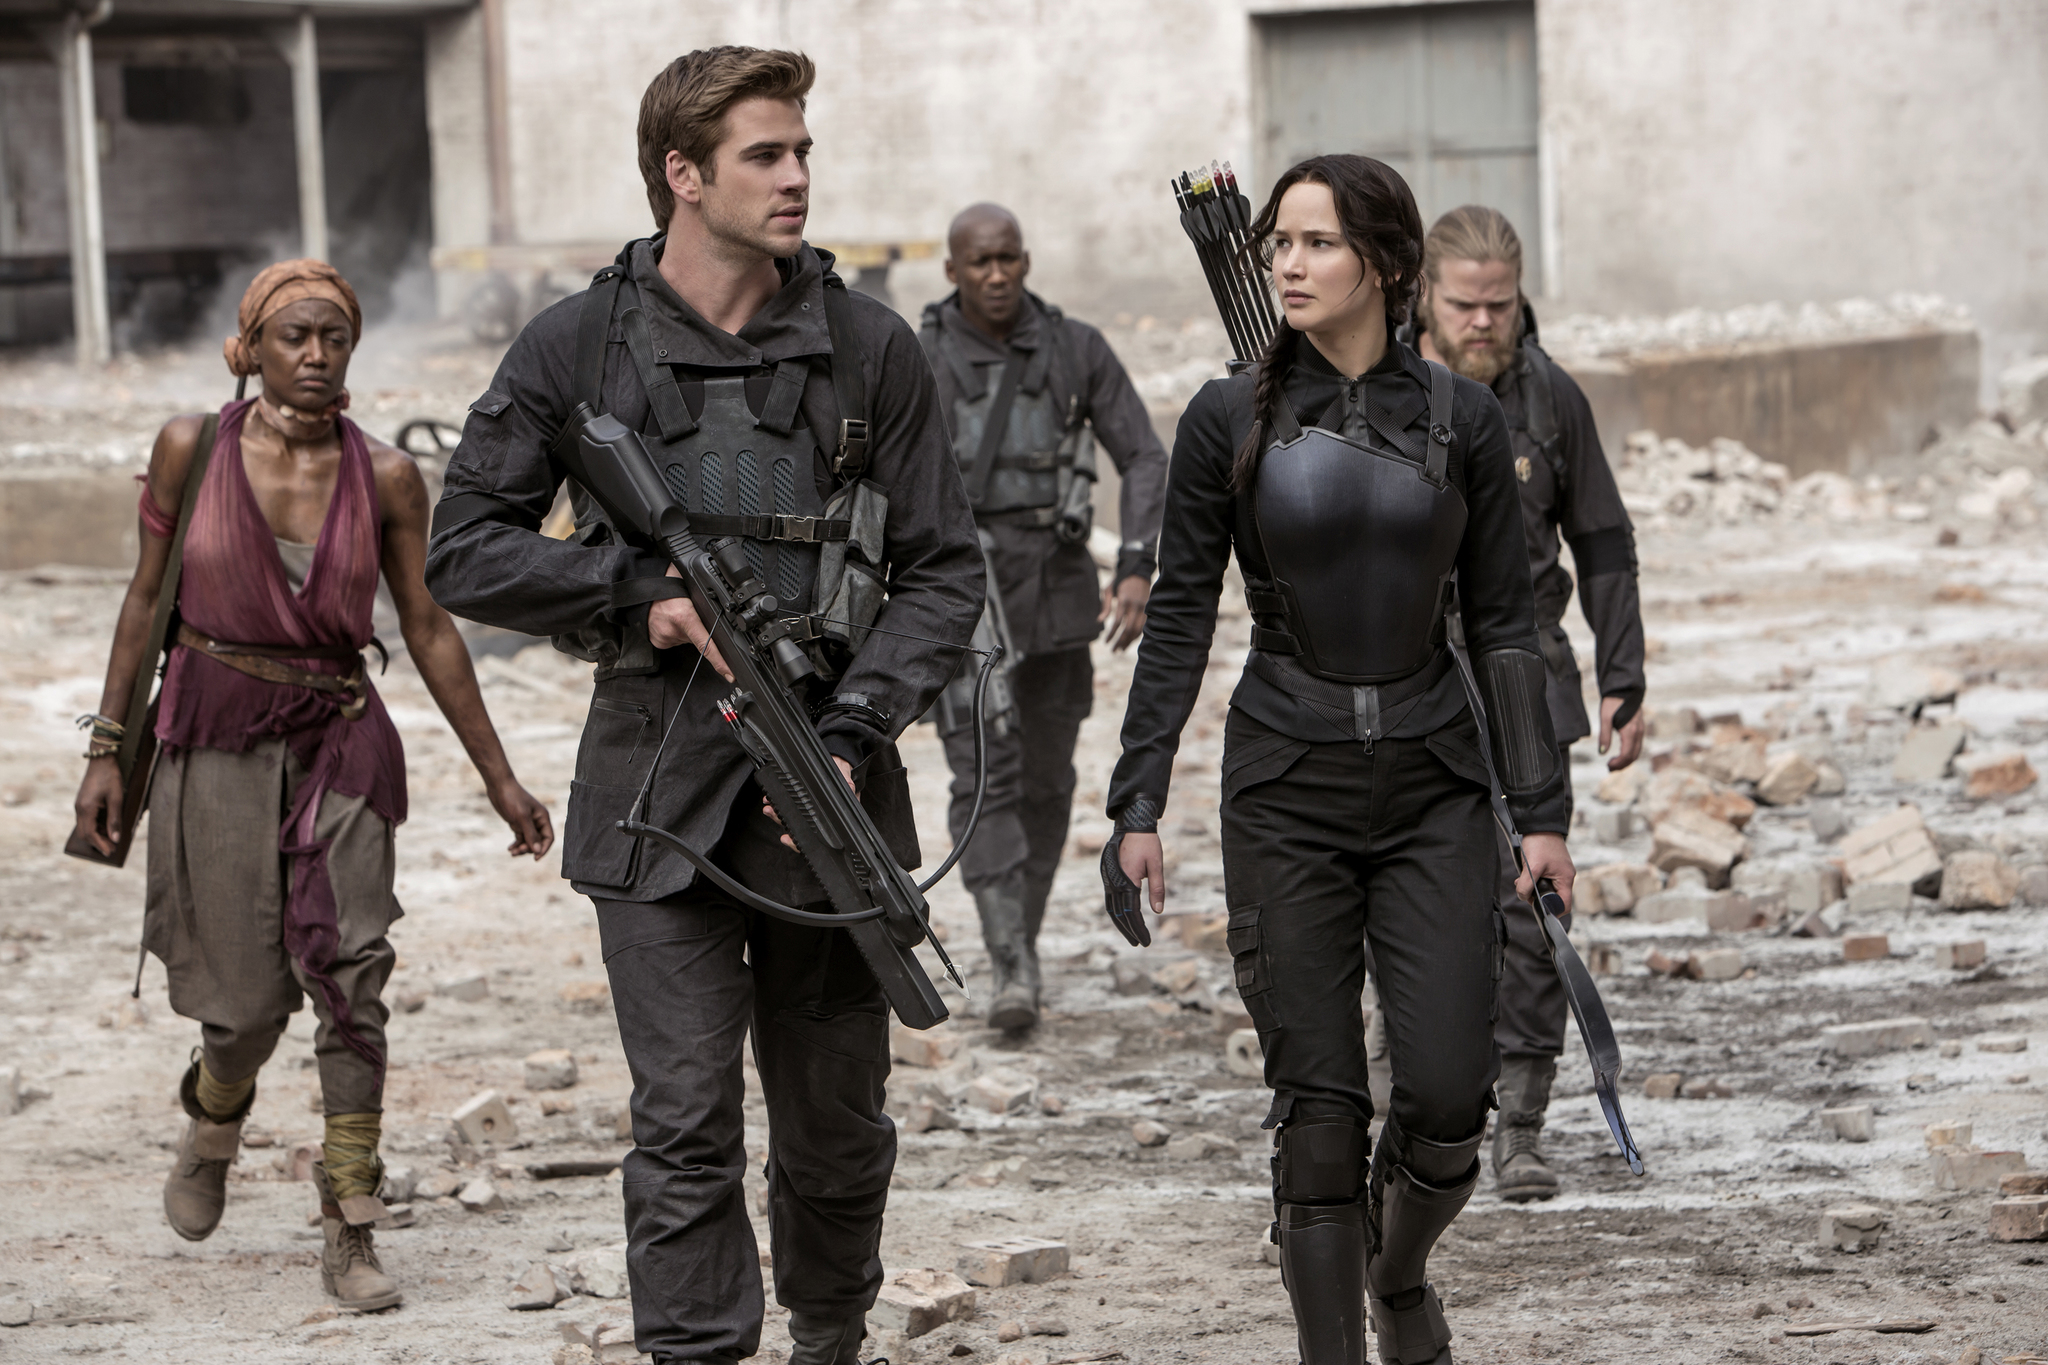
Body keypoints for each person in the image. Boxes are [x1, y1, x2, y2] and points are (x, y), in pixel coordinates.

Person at [422, 48, 981, 1365]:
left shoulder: (867, 347)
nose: (797, 178)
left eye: (801, 152)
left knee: (836, 1125)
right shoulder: (577, 345)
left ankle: (828, 1334)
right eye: (763, 155)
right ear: (683, 173)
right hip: (653, 792)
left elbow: (945, 572)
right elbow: (465, 550)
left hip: (827, 789)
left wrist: (855, 726)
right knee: (683, 1127)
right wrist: (635, 595)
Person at [1105, 156, 1575, 1365]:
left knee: (1446, 1098)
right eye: (1277, 243)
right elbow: (1178, 620)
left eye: (1316, 243)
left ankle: (1396, 1277)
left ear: (1387, 263)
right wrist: (1134, 803)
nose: (1288, 264)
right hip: (1283, 787)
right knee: (1318, 1115)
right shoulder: (1226, 417)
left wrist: (1539, 811)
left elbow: (1506, 624)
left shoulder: (1462, 419)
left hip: (1433, 788)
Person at [71, 259, 554, 1312]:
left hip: (340, 738)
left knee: (351, 974)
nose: (316, 355)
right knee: (244, 1003)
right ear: (249, 348)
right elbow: (144, 599)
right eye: (294, 335)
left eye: (334, 337)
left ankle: (349, 1217)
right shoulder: (190, 449)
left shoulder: (387, 476)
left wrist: (500, 777)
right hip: (213, 734)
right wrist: (106, 749)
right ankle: (214, 1116)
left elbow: (427, 627)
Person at [1407, 205, 1647, 1203]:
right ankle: (1407, 1121)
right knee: (1407, 907)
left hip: (1527, 681)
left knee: (1532, 906)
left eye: (1498, 306)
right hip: (1407, 685)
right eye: (1463, 304)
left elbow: (1603, 540)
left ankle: (1521, 1127)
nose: (1481, 322)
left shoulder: (1550, 398)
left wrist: (1623, 676)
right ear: (1423, 293)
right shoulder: (1380, 389)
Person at [919, 203, 1167, 1031]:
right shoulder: (920, 357)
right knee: (984, 779)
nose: (996, 275)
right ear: (952, 271)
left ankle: (1019, 940)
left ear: (1026, 261)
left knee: (1049, 781)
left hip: (1058, 595)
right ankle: (1010, 963)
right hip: (964, 597)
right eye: (979, 262)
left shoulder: (1074, 348)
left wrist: (1135, 564)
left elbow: (1143, 454)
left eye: (1009, 259)